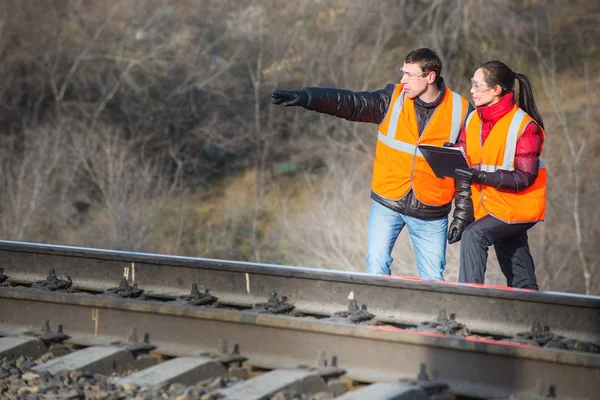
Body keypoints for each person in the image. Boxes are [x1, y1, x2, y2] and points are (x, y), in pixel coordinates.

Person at [271, 48, 472, 280]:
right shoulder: (391, 98)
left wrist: (462, 214)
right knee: (376, 266)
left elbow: (464, 169)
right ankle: (379, 316)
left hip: (431, 209)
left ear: (430, 77)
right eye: (402, 73)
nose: (402, 80)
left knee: (433, 278)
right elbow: (351, 103)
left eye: (409, 75)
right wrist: (308, 97)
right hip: (387, 200)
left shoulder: (461, 109)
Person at [449, 60, 546, 289]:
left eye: (477, 85)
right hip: (493, 206)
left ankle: (469, 304)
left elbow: (525, 177)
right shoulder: (473, 119)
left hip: (517, 206)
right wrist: (447, 154)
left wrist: (480, 177)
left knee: (474, 236)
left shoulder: (525, 126)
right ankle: (534, 314)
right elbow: (465, 158)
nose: (471, 90)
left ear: (496, 90)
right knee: (517, 266)